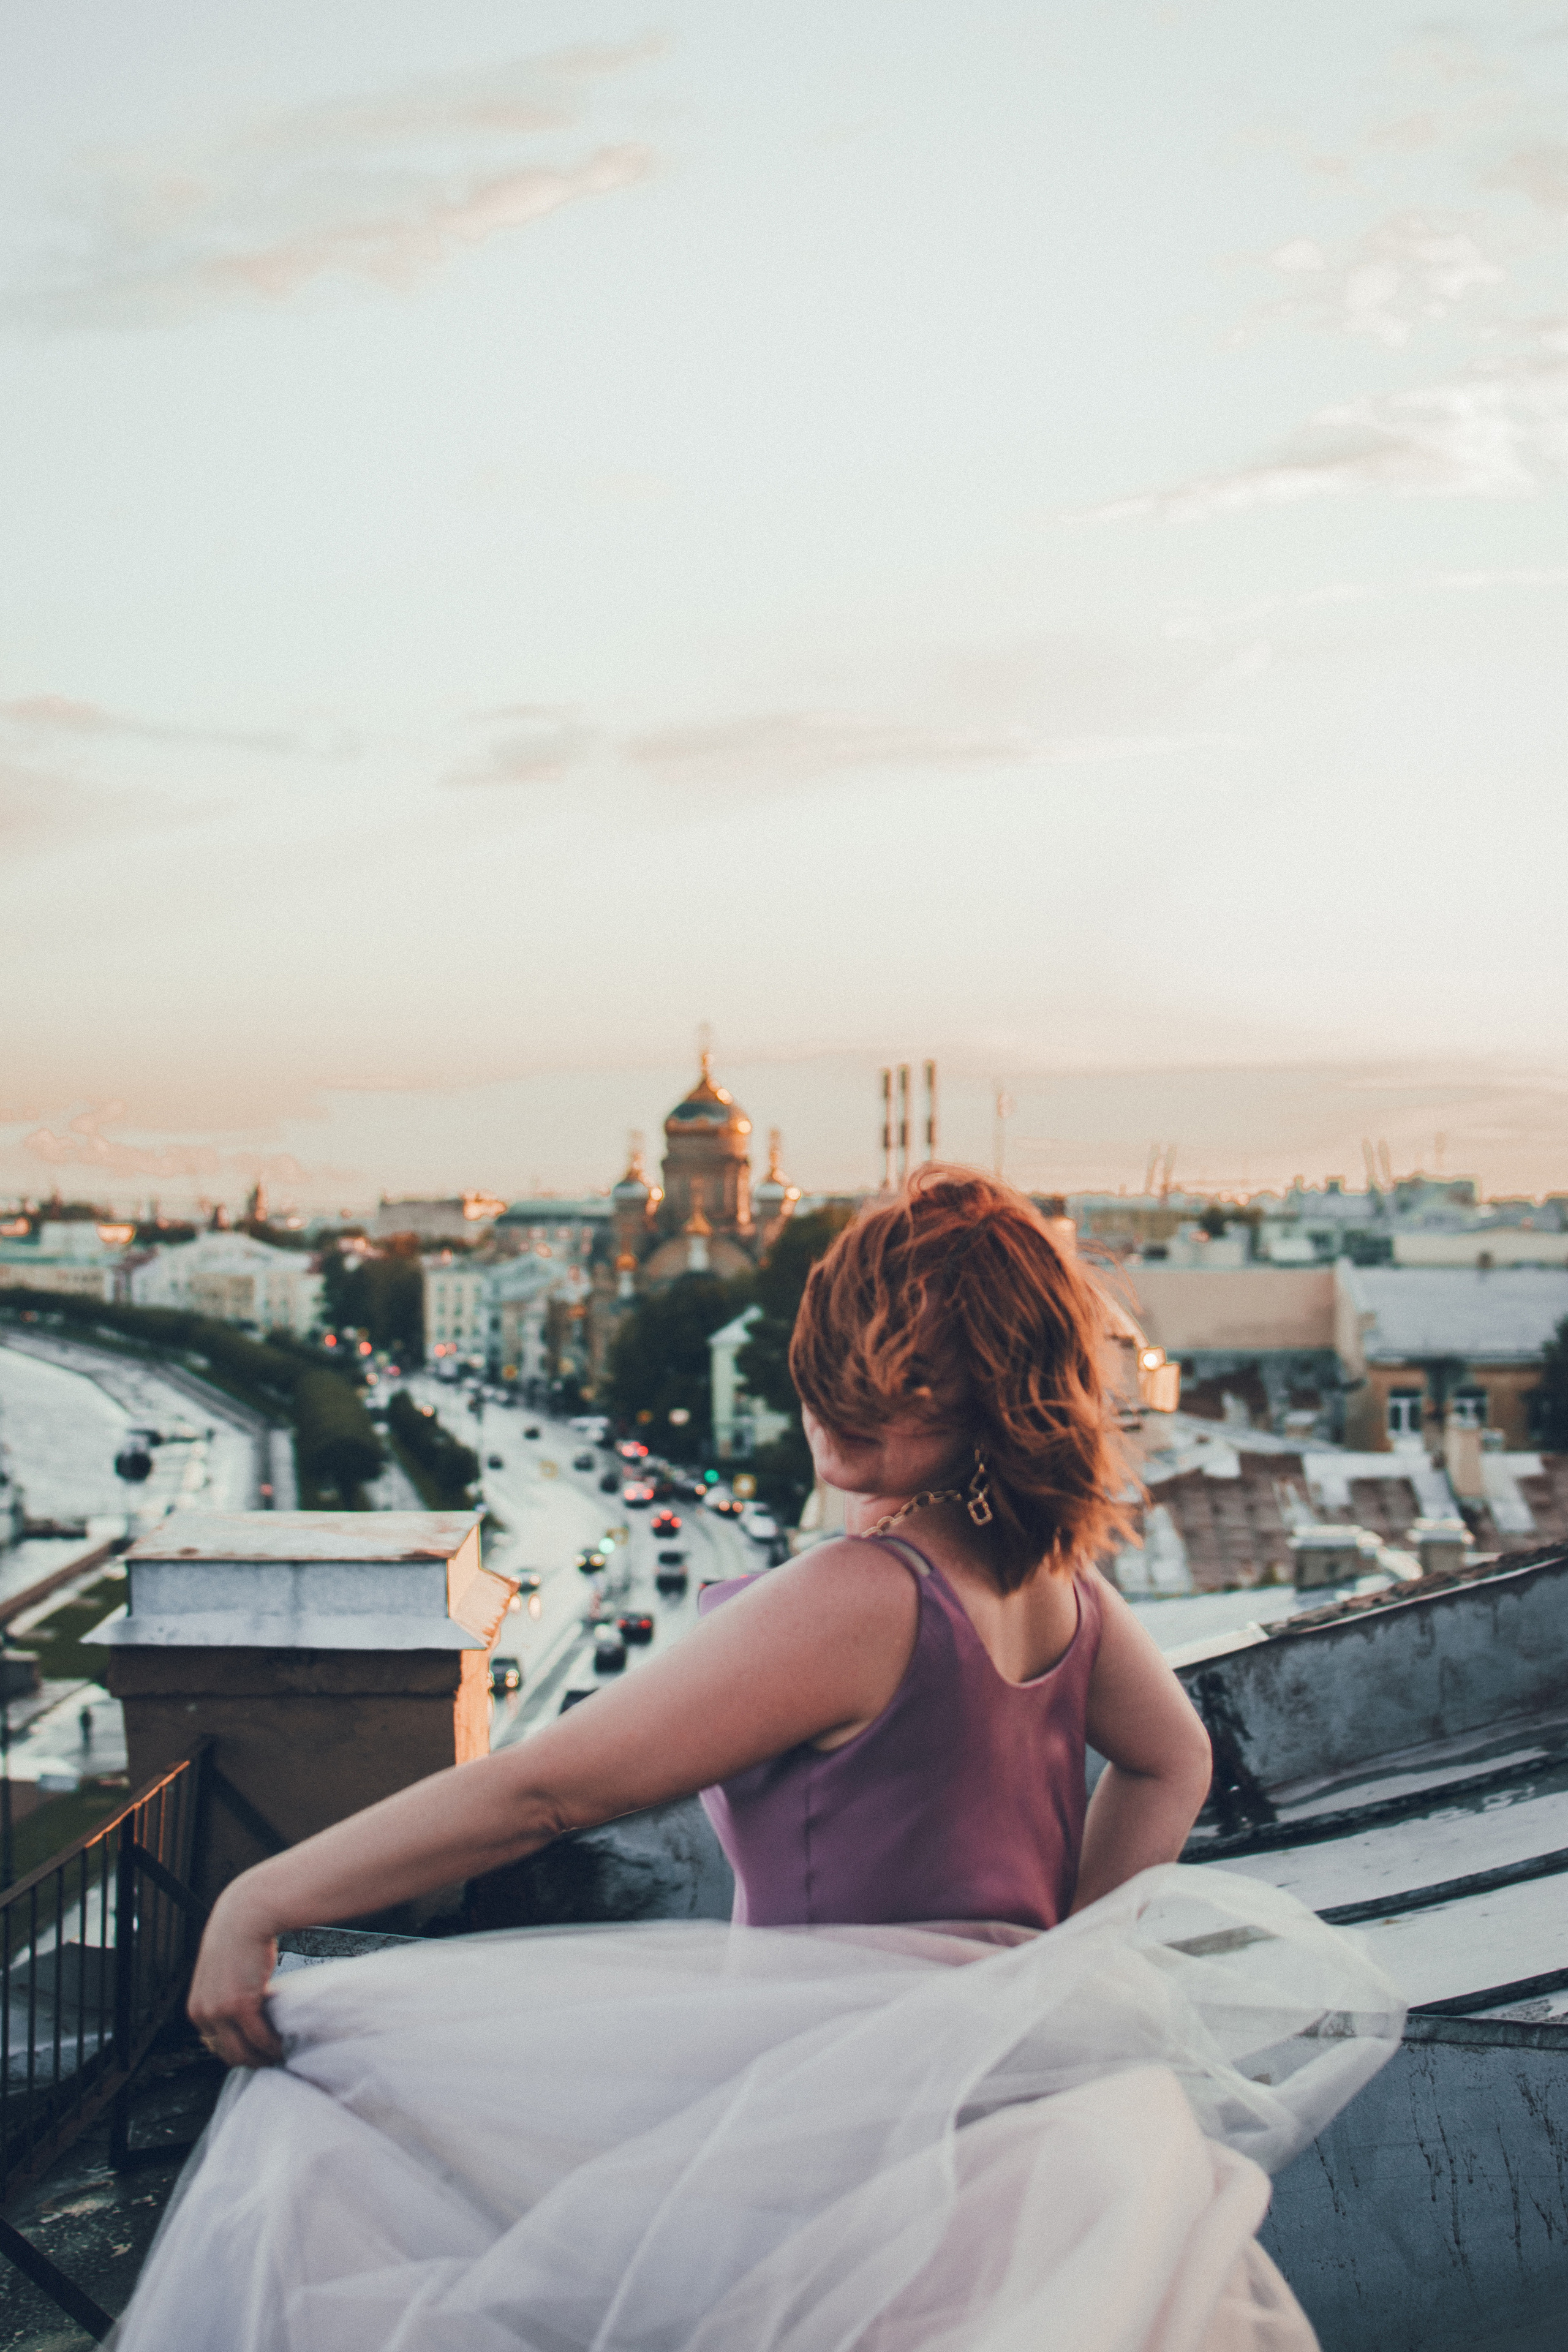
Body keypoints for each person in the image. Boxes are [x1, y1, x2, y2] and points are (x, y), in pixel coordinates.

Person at [113, 1170, 1403, 2352]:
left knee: (325, 2136)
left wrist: (262, 1899)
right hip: (1013, 2104)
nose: (840, 1415)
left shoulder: (861, 1594)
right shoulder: (1053, 1584)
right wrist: (1053, 1974)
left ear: (965, 1398)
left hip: (838, 2115)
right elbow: (1168, 1761)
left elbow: (548, 1788)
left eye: (884, 1388)